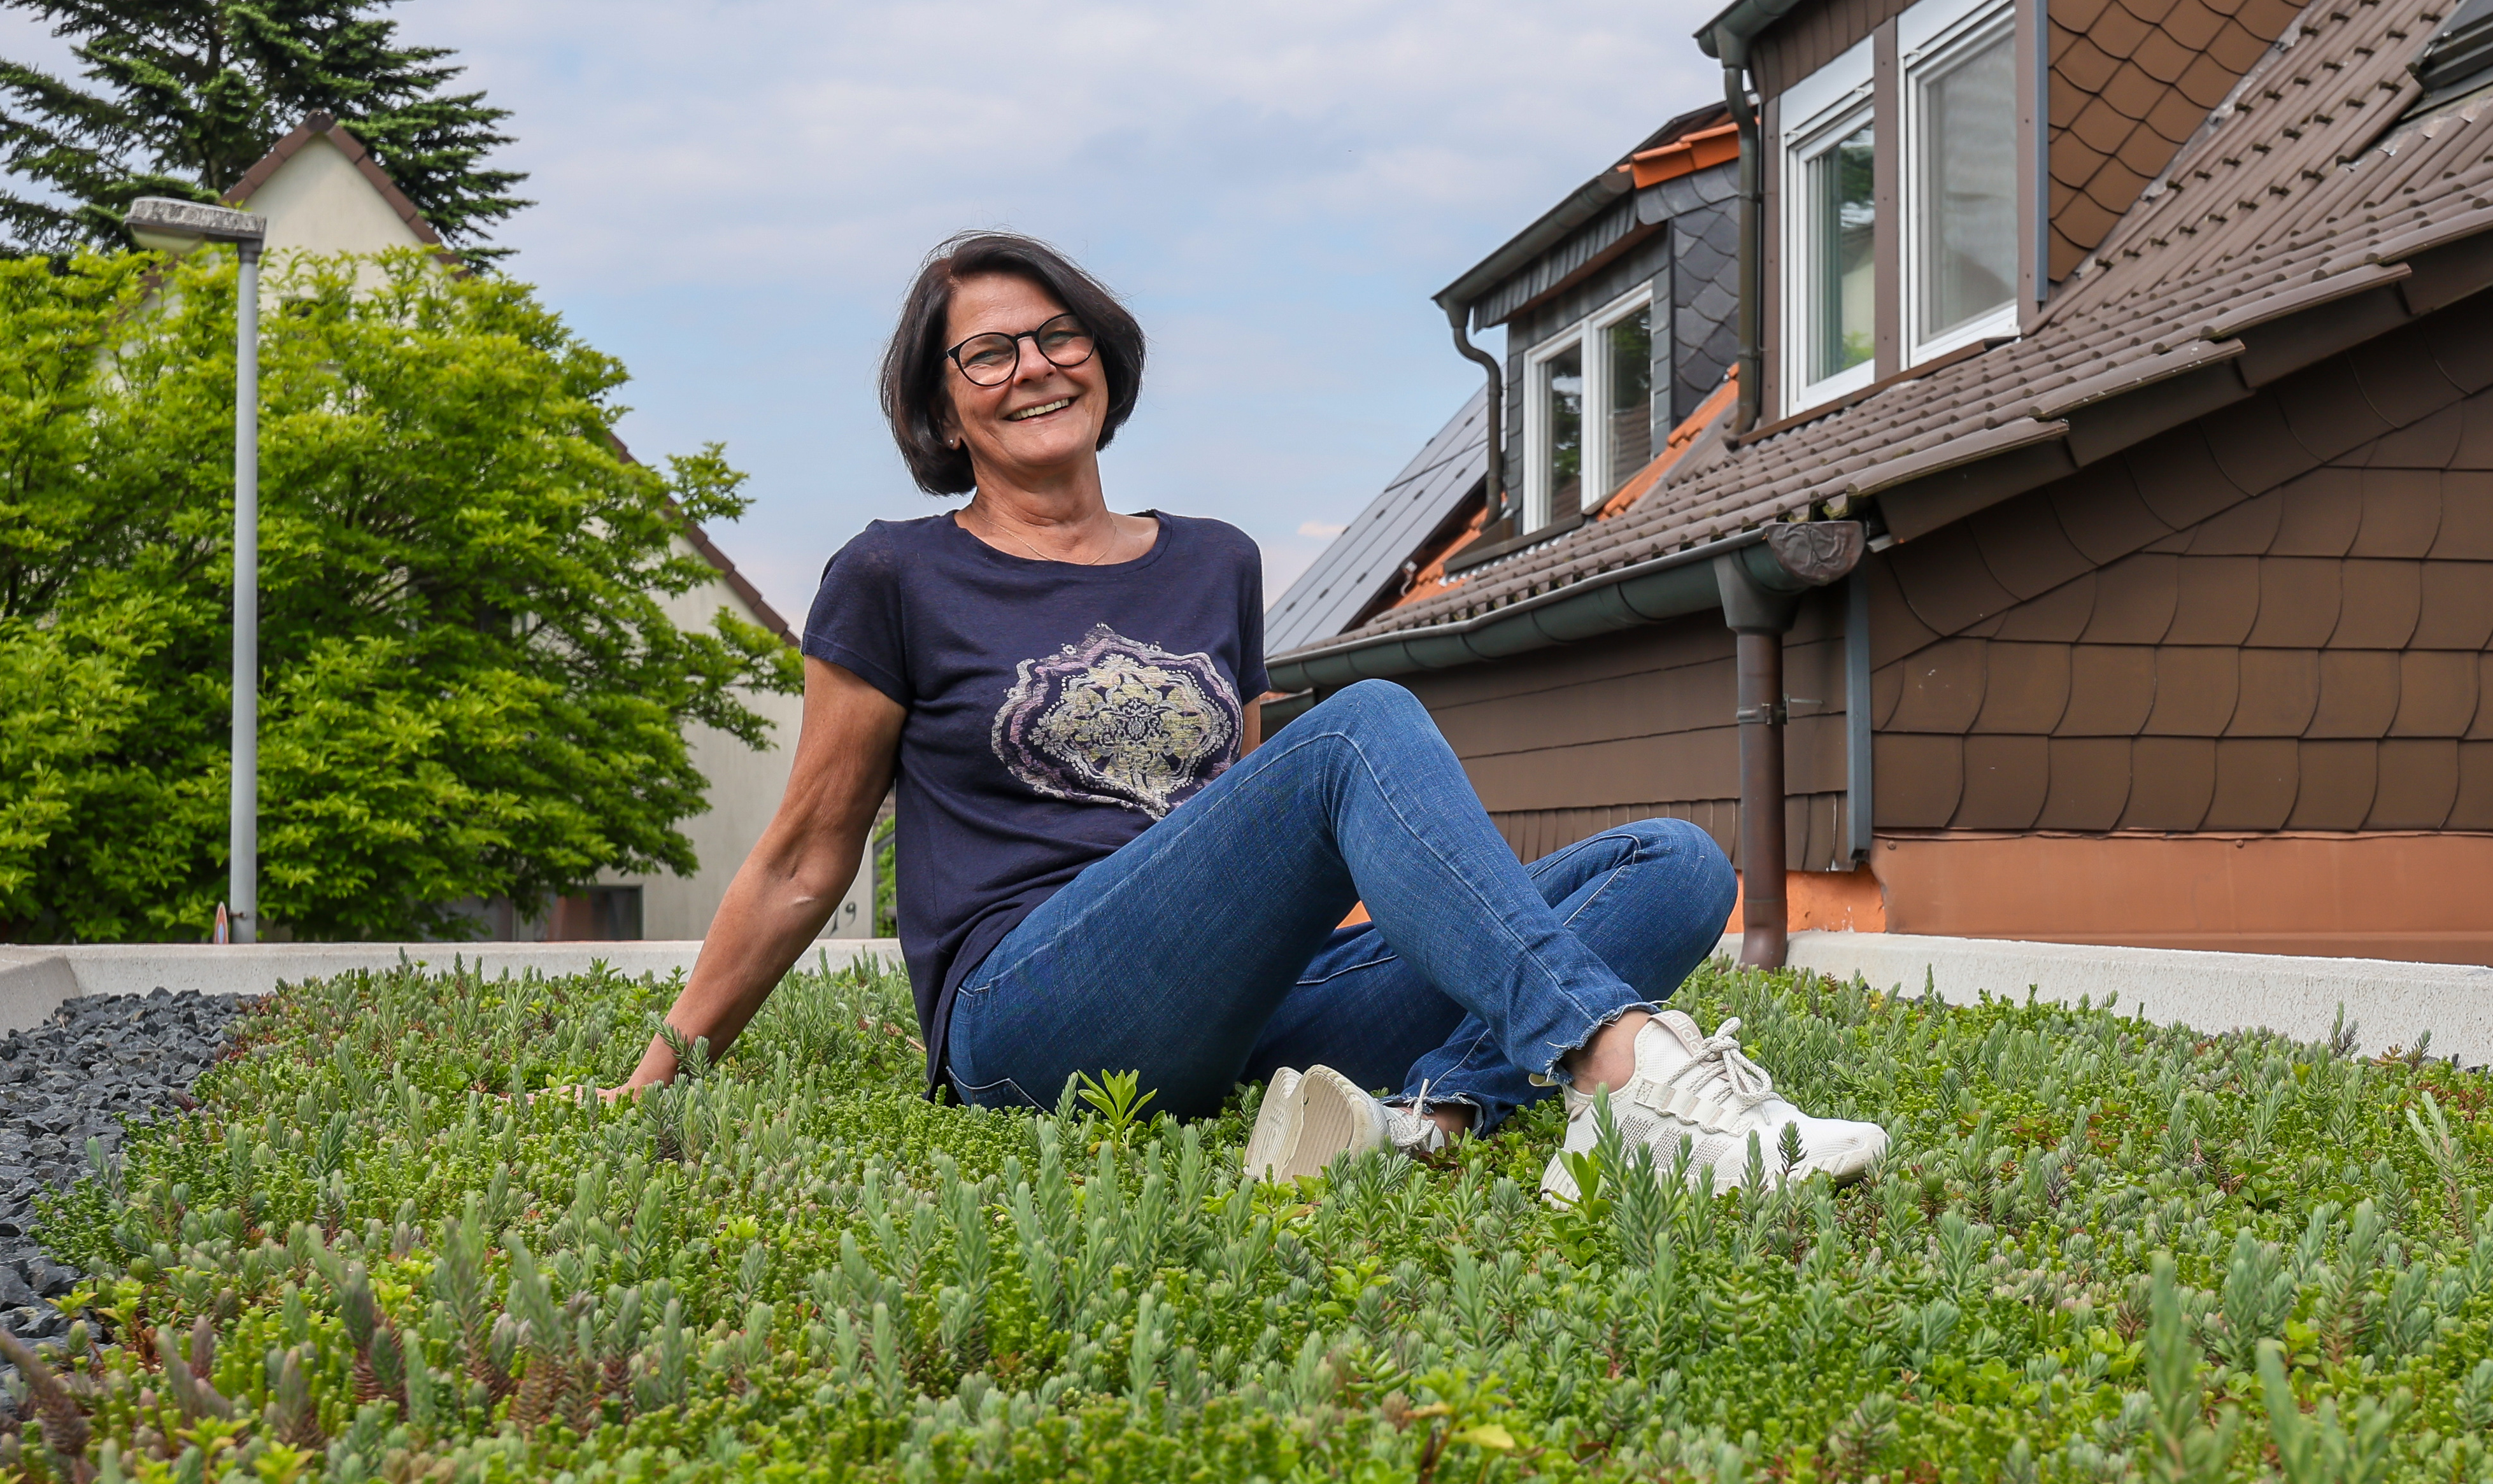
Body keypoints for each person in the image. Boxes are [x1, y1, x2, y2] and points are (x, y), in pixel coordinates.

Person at [605, 232, 1888, 1194]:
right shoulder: (894, 573)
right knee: (1361, 720)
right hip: (1029, 1011)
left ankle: (1420, 1125)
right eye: (985, 351)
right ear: (944, 408)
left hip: (1233, 1001)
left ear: (1102, 353)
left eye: (1057, 333)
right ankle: (1620, 1070)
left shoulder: (1211, 558)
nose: (1033, 365)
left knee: (1671, 864)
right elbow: (805, 849)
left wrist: (1395, 962)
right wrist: (663, 1059)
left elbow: (1262, 817)